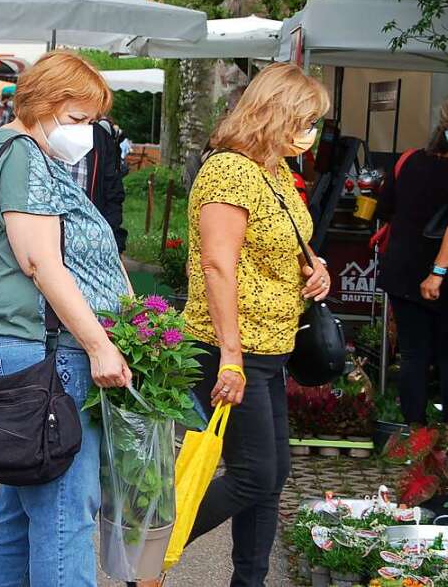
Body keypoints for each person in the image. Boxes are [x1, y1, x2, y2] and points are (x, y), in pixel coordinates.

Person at [0, 50, 132, 585]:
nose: (85, 132)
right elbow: (40, 261)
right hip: (42, 351)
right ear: (43, 103)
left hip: (25, 347)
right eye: (78, 118)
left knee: (19, 513)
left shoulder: (9, 150)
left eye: (91, 121)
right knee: (65, 515)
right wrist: (100, 344)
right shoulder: (23, 156)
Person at [177, 63, 331, 587]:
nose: (311, 132)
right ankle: (149, 550)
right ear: (276, 114)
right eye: (306, 120)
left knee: (271, 474)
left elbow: (286, 235)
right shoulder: (230, 170)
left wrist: (318, 265)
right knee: (253, 474)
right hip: (231, 347)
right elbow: (218, 263)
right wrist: (232, 357)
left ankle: (250, 581)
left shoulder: (274, 170)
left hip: (272, 345)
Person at [379, 101, 448, 423]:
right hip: (439, 272)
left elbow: (384, 209)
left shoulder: (407, 160)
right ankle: (442, 440)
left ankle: (413, 433)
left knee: (413, 354)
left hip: (403, 269)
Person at [66, 119, 128, 253]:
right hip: (47, 244)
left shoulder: (99, 137)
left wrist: (114, 242)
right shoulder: (42, 134)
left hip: (90, 244)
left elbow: (113, 194)